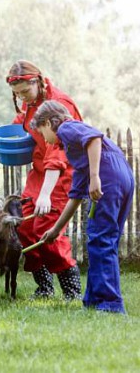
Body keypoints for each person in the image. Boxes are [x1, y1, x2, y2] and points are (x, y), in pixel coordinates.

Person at [33, 101, 134, 314]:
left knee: (100, 238)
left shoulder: (66, 127)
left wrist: (96, 177)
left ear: (50, 122)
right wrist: (55, 231)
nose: (45, 140)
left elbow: (93, 138)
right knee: (106, 239)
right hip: (122, 176)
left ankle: (110, 305)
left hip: (107, 176)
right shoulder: (77, 154)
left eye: (42, 133)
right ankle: (95, 300)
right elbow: (75, 197)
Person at [5, 60, 83, 300]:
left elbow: (58, 155)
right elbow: (24, 125)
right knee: (26, 228)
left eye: (25, 92)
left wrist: (46, 194)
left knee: (47, 228)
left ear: (36, 82)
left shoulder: (59, 105)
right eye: (17, 95)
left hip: (62, 174)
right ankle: (45, 288)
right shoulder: (32, 103)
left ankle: (72, 291)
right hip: (39, 172)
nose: (23, 98)